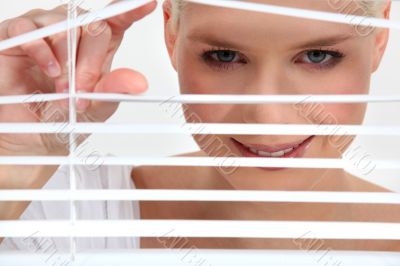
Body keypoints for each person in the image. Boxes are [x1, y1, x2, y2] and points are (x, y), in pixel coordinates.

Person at [0, 0, 399, 251]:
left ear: (379, 37)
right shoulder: (59, 214)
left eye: (317, 56)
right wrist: (11, 160)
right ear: (171, 34)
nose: (267, 118)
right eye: (225, 55)